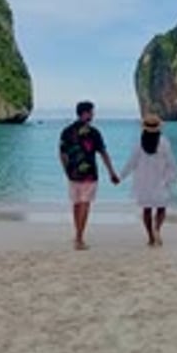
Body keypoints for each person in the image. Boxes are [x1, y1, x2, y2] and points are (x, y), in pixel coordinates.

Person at [59, 101, 119, 249]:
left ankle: (78, 235)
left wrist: (66, 170)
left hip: (72, 174)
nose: (93, 115)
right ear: (84, 113)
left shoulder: (67, 131)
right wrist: (111, 172)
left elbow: (62, 153)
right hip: (89, 174)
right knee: (85, 204)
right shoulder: (94, 133)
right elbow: (103, 153)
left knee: (77, 204)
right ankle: (79, 238)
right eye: (91, 112)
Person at [120, 113, 177, 246]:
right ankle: (157, 229)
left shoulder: (139, 144)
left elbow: (131, 163)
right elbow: (172, 161)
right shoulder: (164, 142)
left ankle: (150, 236)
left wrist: (120, 177)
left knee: (147, 209)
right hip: (160, 181)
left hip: (144, 182)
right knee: (161, 208)